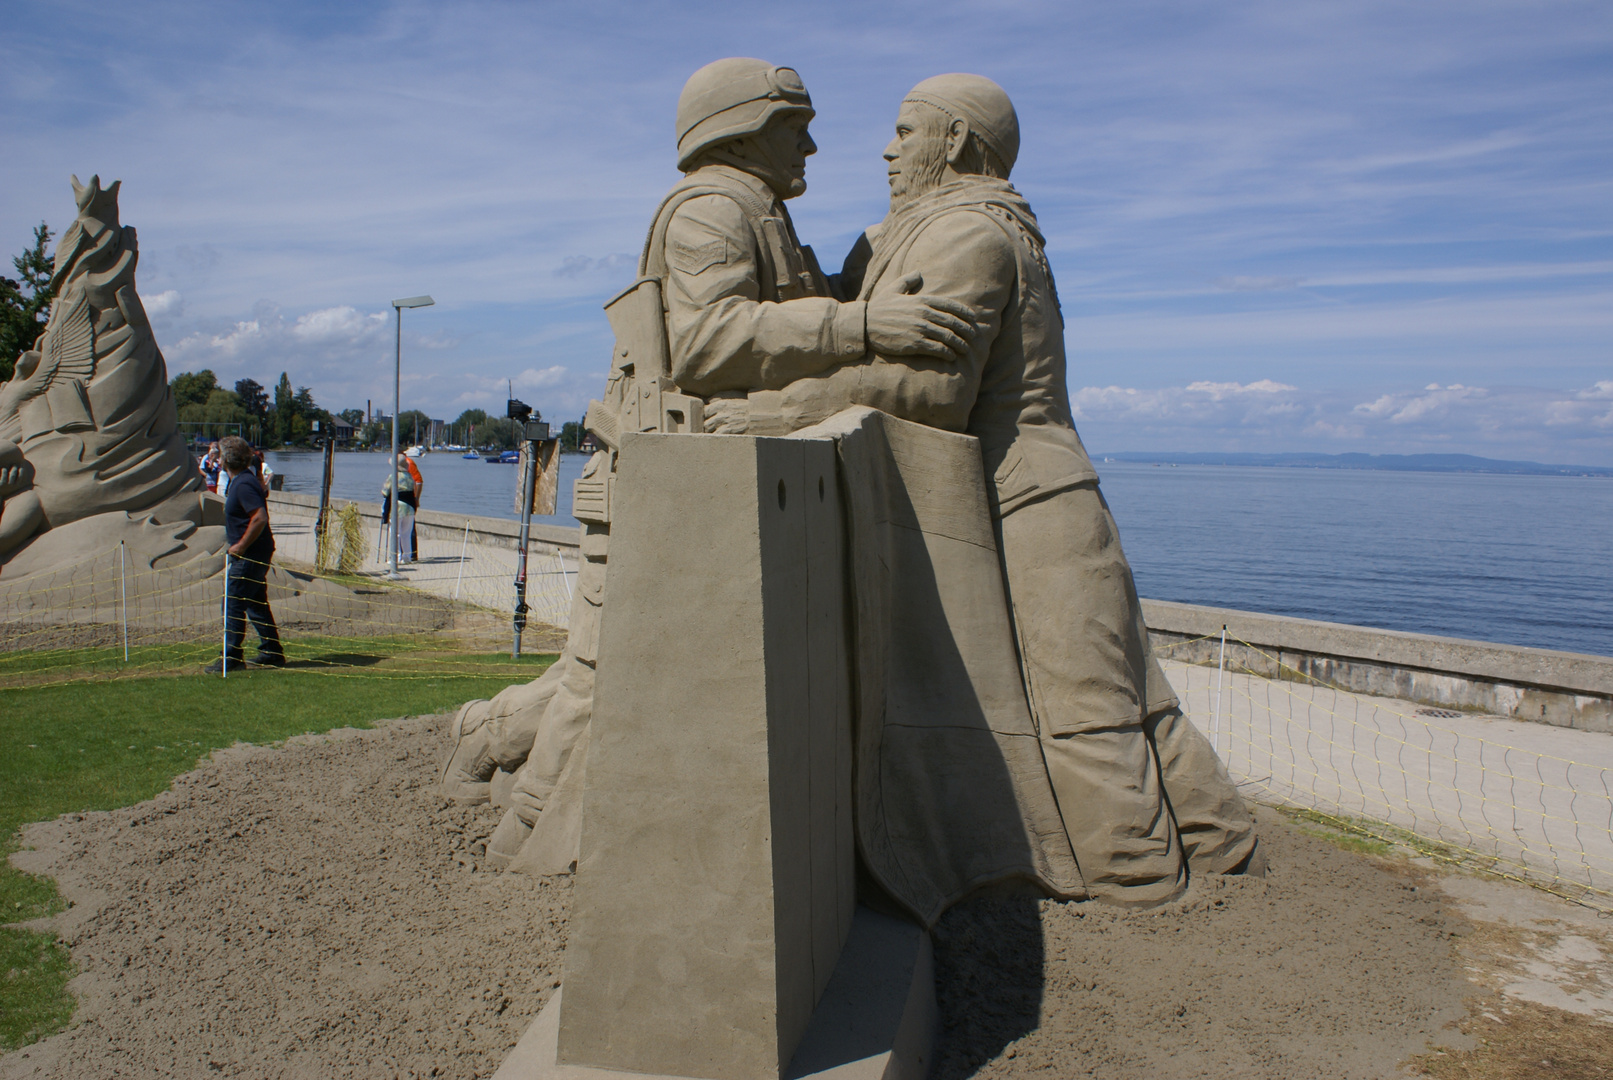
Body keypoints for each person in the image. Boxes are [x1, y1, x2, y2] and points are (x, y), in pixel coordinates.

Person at [709, 75, 1261, 902]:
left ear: (958, 142)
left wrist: (778, 408)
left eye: (904, 132)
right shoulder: (913, 235)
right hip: (1029, 496)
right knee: (1130, 694)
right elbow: (852, 318)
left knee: (1088, 709)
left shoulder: (966, 234)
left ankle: (1141, 881)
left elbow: (933, 388)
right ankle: (1225, 854)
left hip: (1033, 506)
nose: (887, 150)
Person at [441, 57, 981, 867]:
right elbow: (706, 339)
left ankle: (491, 749)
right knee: (601, 675)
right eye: (793, 127)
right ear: (743, 127)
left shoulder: (762, 214)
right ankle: (522, 840)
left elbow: (783, 318)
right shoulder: (711, 210)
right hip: (653, 487)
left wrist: (858, 274)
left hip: (710, 486)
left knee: (628, 666)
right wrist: (862, 324)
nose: (812, 145)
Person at [208, 435, 284, 672]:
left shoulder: (243, 484)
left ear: (226, 459)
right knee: (254, 601)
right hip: (256, 551)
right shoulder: (242, 482)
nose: (217, 459)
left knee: (233, 600)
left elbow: (260, 517)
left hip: (250, 553)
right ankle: (272, 651)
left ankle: (231, 656)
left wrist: (240, 546)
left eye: (220, 455)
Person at [380, 456, 417, 563]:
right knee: (406, 534)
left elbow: (385, 492)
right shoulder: (410, 476)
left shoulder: (393, 476)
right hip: (409, 506)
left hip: (397, 506)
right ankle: (407, 557)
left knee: (395, 533)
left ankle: (395, 557)